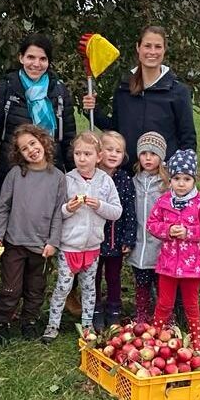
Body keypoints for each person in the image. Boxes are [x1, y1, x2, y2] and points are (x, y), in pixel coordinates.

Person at [0, 125, 67, 343]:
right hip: (14, 242)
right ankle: (2, 322)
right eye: (24, 148)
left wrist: (53, 241)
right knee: (11, 287)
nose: (31, 150)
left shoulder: (58, 177)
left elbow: (59, 214)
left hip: (42, 247)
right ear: (19, 154)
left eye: (33, 143)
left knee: (36, 288)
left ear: (43, 141)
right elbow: (2, 207)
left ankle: (29, 321)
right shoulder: (15, 174)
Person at [42, 132, 122, 342]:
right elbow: (57, 212)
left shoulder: (105, 181)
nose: (82, 158)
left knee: (89, 289)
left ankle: (87, 327)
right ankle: (52, 325)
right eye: (78, 153)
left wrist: (100, 206)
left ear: (99, 156)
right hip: (69, 246)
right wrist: (68, 208)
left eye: (87, 154)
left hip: (93, 246)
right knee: (62, 287)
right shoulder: (67, 180)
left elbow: (116, 211)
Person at [82, 26, 197, 161]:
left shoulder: (178, 92)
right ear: (138, 47)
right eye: (147, 46)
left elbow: (187, 138)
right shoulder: (124, 88)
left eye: (158, 47)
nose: (152, 52)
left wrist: (183, 172)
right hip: (128, 173)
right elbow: (116, 129)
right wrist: (93, 110)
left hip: (163, 175)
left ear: (164, 49)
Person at [147, 149, 200, 352]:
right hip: (168, 264)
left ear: (193, 179)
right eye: (177, 178)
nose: (181, 183)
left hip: (192, 266)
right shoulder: (163, 202)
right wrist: (168, 230)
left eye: (187, 178)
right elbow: (151, 224)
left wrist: (189, 232)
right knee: (164, 303)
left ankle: (197, 338)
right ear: (170, 179)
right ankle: (155, 335)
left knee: (191, 304)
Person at [0, 34, 76, 188]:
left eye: (43, 59)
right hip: (13, 174)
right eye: (31, 57)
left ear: (49, 61)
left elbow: (68, 139)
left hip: (50, 172)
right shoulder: (5, 89)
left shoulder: (59, 92)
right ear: (21, 58)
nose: (36, 64)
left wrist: (75, 176)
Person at [93, 131, 137, 330]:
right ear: (99, 152)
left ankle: (114, 310)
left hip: (116, 239)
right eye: (109, 149)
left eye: (118, 151)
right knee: (93, 275)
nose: (113, 154)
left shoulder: (124, 179)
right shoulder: (92, 176)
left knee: (113, 276)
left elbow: (129, 210)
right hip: (93, 239)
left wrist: (128, 237)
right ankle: (95, 309)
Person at [129, 132, 169, 324]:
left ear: (161, 156)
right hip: (139, 242)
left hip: (160, 244)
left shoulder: (166, 184)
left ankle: (165, 317)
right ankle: (142, 315)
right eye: (144, 153)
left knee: (162, 284)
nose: (148, 158)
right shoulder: (134, 181)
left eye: (153, 154)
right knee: (141, 282)